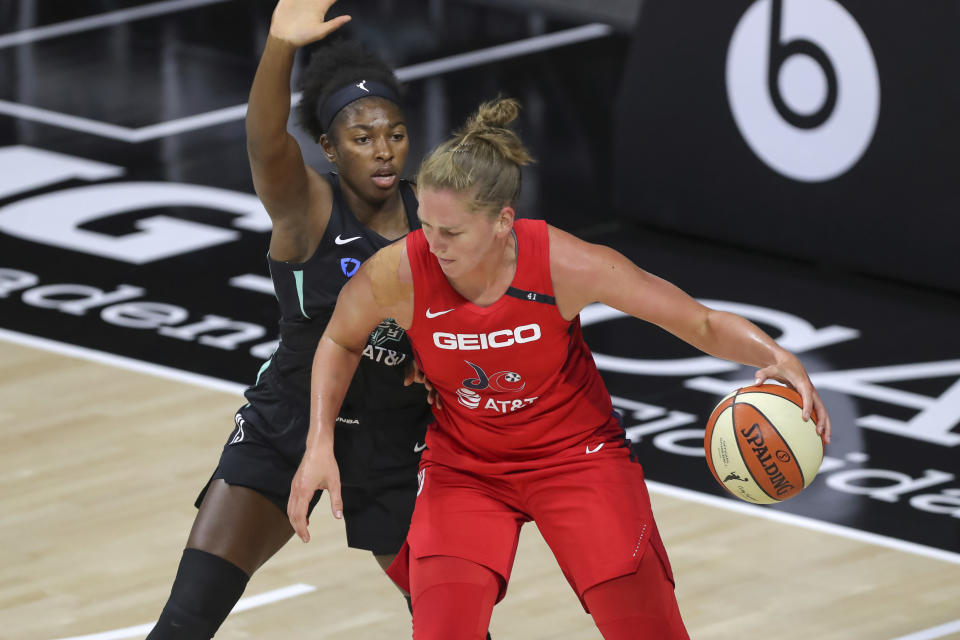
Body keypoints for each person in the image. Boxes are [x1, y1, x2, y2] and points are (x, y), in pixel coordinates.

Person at [287, 97, 833, 639]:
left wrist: (778, 358)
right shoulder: (400, 272)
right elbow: (339, 339)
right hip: (466, 467)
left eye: (451, 232)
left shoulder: (566, 264)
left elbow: (702, 323)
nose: (433, 243)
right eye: (426, 224)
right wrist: (319, 443)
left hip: (578, 459)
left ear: (503, 222)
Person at [146, 1, 433, 637]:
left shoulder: (437, 221)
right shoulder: (308, 208)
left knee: (456, 628)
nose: (383, 152)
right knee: (184, 622)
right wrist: (280, 46)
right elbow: (264, 141)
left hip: (398, 446)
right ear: (329, 147)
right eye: (362, 138)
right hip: (289, 427)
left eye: (395, 134)